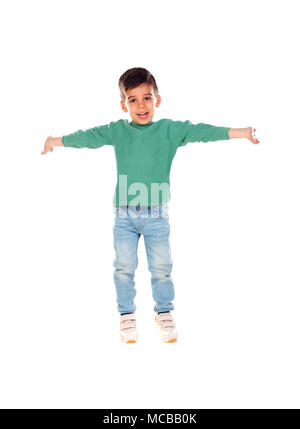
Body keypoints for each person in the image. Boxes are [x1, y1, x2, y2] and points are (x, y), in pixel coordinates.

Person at [41, 67, 260, 343]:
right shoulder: (117, 131)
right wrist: (55, 141)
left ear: (157, 100)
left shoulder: (170, 131)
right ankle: (127, 315)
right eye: (133, 100)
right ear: (124, 105)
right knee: (124, 267)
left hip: (157, 215)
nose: (141, 105)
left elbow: (203, 132)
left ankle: (164, 312)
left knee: (161, 267)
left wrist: (242, 132)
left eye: (147, 98)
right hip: (124, 216)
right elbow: (88, 137)